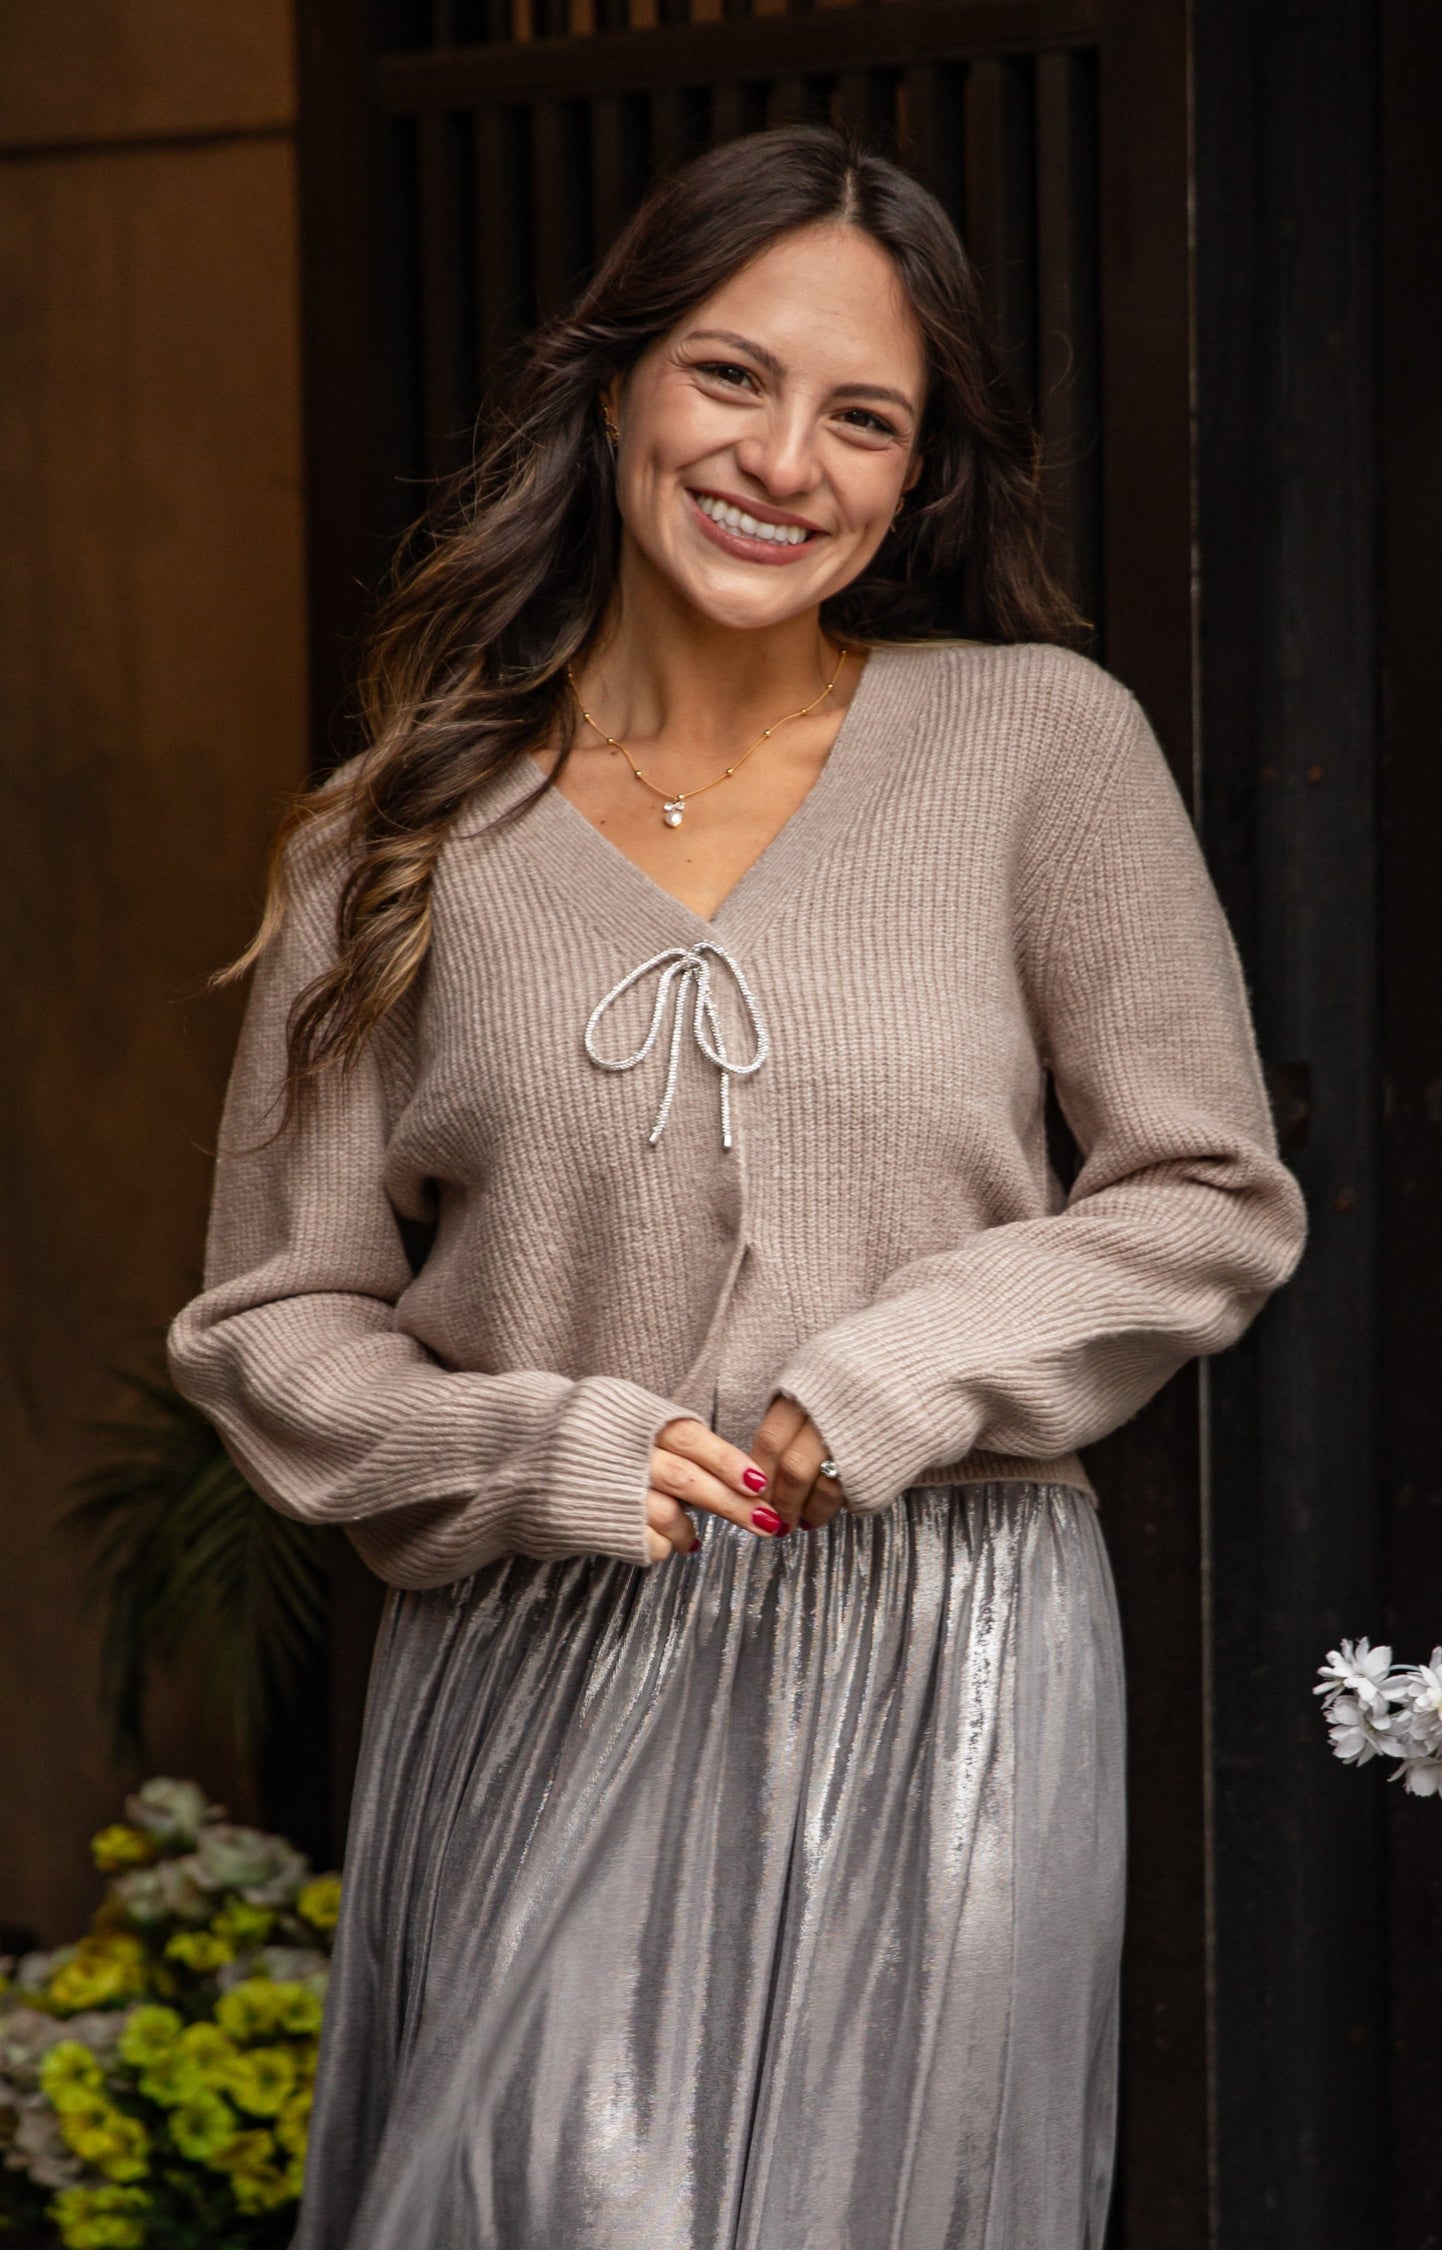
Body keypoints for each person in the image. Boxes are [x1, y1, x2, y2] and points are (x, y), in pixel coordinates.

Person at [168, 125, 1306, 2250]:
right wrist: (534, 1442)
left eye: (863, 417)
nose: (786, 457)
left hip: (942, 1656)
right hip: (541, 1650)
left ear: (920, 476)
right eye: (731, 375)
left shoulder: (1038, 745)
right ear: (614, 387)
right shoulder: (393, 838)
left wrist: (896, 1372)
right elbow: (270, 1319)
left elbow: (1205, 1190)